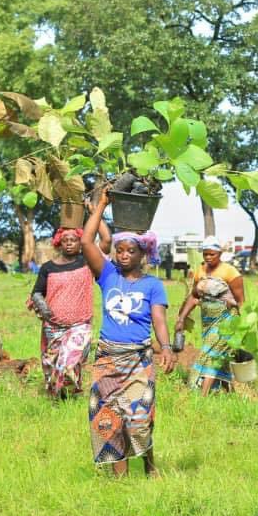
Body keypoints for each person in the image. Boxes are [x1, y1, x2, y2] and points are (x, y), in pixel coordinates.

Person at [82, 190, 174, 476]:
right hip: (108, 358)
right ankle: (120, 480)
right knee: (109, 417)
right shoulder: (108, 275)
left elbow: (158, 319)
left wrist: (167, 347)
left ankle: (149, 463)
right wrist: (102, 205)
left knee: (139, 419)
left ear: (143, 253)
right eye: (119, 250)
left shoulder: (152, 285)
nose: (123, 255)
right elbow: (87, 241)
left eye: (130, 251)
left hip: (138, 360)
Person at [28, 227, 96, 401]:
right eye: (65, 240)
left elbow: (104, 242)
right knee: (52, 366)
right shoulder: (48, 267)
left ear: (81, 242)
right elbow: (36, 292)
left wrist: (96, 209)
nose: (69, 243)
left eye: (73, 240)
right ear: (59, 243)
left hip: (80, 324)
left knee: (69, 363)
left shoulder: (87, 262)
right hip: (53, 326)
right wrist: (43, 308)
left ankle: (68, 395)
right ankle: (60, 400)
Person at [175, 237, 245, 395]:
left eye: (211, 254)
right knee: (220, 356)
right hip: (208, 322)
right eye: (205, 254)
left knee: (209, 354)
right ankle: (227, 391)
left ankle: (202, 394)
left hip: (226, 321)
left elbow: (241, 301)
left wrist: (239, 323)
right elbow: (194, 297)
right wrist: (182, 318)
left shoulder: (230, 272)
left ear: (219, 253)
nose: (208, 257)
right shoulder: (200, 270)